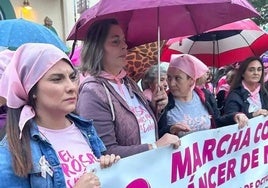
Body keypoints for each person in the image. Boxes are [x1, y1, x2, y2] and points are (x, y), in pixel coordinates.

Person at [0, 43, 120, 188]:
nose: (71, 87)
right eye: (57, 79)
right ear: (31, 89)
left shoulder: (85, 129)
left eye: (72, 77)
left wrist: (106, 166)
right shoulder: (13, 151)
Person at [76, 18, 180, 158]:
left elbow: (140, 128)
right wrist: (154, 147)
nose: (124, 46)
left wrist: (155, 107)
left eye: (123, 40)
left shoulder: (128, 82)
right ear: (97, 48)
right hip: (129, 177)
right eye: (115, 41)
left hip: (151, 168)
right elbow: (104, 152)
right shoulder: (92, 92)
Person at [158, 54, 248, 138]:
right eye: (169, 78)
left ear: (191, 80)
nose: (171, 83)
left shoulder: (205, 96)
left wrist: (234, 116)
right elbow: (157, 136)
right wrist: (171, 130)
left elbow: (217, 121)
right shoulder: (163, 103)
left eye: (177, 78)